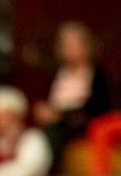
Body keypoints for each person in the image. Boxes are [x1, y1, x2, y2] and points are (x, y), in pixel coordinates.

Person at [34, 21, 112, 157]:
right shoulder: (58, 74)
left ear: (86, 46)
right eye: (65, 45)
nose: (69, 49)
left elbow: (99, 107)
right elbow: (50, 102)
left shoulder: (97, 74)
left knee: (55, 131)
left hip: (83, 124)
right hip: (56, 123)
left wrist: (62, 114)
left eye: (73, 44)